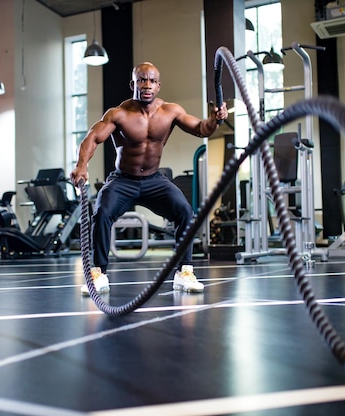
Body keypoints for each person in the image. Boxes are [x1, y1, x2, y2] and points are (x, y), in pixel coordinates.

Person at [70, 62, 228, 296]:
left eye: (152, 81)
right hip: (122, 181)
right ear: (133, 84)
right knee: (102, 213)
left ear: (158, 86)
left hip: (154, 180)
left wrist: (215, 119)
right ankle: (98, 273)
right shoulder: (119, 114)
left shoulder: (170, 111)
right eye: (142, 80)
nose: (147, 85)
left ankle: (184, 272)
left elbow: (201, 129)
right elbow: (92, 138)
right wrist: (81, 165)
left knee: (185, 211)